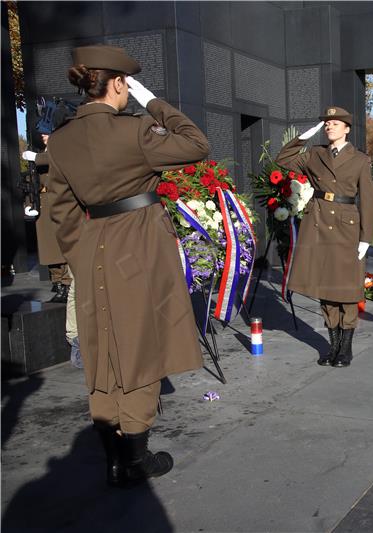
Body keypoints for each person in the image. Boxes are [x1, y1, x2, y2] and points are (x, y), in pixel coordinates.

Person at [46, 45, 209, 487]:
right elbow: (198, 144)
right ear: (119, 83)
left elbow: (60, 212)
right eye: (127, 85)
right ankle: (135, 461)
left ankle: (112, 458)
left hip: (93, 249)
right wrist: (153, 101)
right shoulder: (135, 131)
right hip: (139, 246)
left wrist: (80, 254)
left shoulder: (60, 140)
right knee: (140, 348)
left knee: (102, 352)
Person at [276, 107, 373, 368]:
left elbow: (368, 200)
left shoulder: (359, 160)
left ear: (347, 129)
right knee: (326, 288)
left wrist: (366, 237)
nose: (329, 127)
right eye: (326, 123)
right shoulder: (314, 154)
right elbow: (282, 160)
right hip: (318, 224)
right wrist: (302, 138)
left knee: (346, 288)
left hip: (347, 227)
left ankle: (346, 349)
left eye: (334, 123)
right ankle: (332, 347)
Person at [22, 131, 72, 304]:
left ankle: (66, 284)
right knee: (47, 248)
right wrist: (28, 203)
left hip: (57, 201)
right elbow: (32, 180)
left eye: (47, 131)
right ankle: (57, 282)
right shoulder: (41, 151)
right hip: (42, 201)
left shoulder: (59, 147)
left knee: (59, 246)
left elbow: (55, 159)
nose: (43, 135)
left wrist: (36, 157)